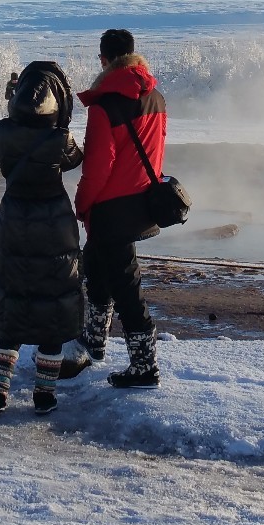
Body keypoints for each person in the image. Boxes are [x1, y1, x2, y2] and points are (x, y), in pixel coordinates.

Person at [0, 61, 84, 416]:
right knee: (54, 304)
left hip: (13, 217)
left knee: (13, 298)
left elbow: (1, 160)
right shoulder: (60, 139)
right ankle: (44, 394)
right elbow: (75, 160)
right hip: (53, 222)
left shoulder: (3, 132)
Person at [71, 29, 168, 388]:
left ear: (104, 59)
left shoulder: (105, 105)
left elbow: (98, 166)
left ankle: (144, 367)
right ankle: (94, 342)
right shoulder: (156, 97)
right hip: (140, 199)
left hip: (111, 206)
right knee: (97, 266)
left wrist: (83, 204)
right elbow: (156, 149)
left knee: (126, 286)